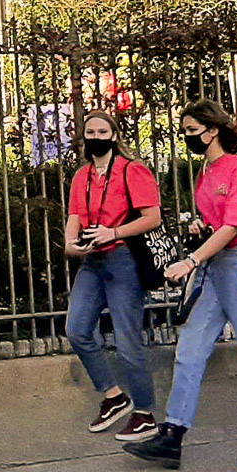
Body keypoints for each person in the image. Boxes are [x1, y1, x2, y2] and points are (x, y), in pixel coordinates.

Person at [125, 99, 237, 471]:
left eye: (191, 131)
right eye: (184, 131)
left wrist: (191, 259)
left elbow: (236, 226)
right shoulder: (207, 172)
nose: (187, 137)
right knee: (189, 349)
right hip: (216, 266)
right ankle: (172, 435)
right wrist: (201, 231)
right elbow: (220, 224)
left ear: (212, 129)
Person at [65, 110, 163, 443]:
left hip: (122, 257)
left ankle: (145, 412)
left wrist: (114, 232)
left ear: (114, 135)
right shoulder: (82, 176)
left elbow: (153, 217)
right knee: (77, 329)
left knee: (127, 339)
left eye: (101, 131)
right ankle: (113, 395)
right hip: (92, 259)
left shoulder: (132, 171)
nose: (95, 136)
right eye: (89, 131)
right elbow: (75, 216)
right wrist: (70, 244)